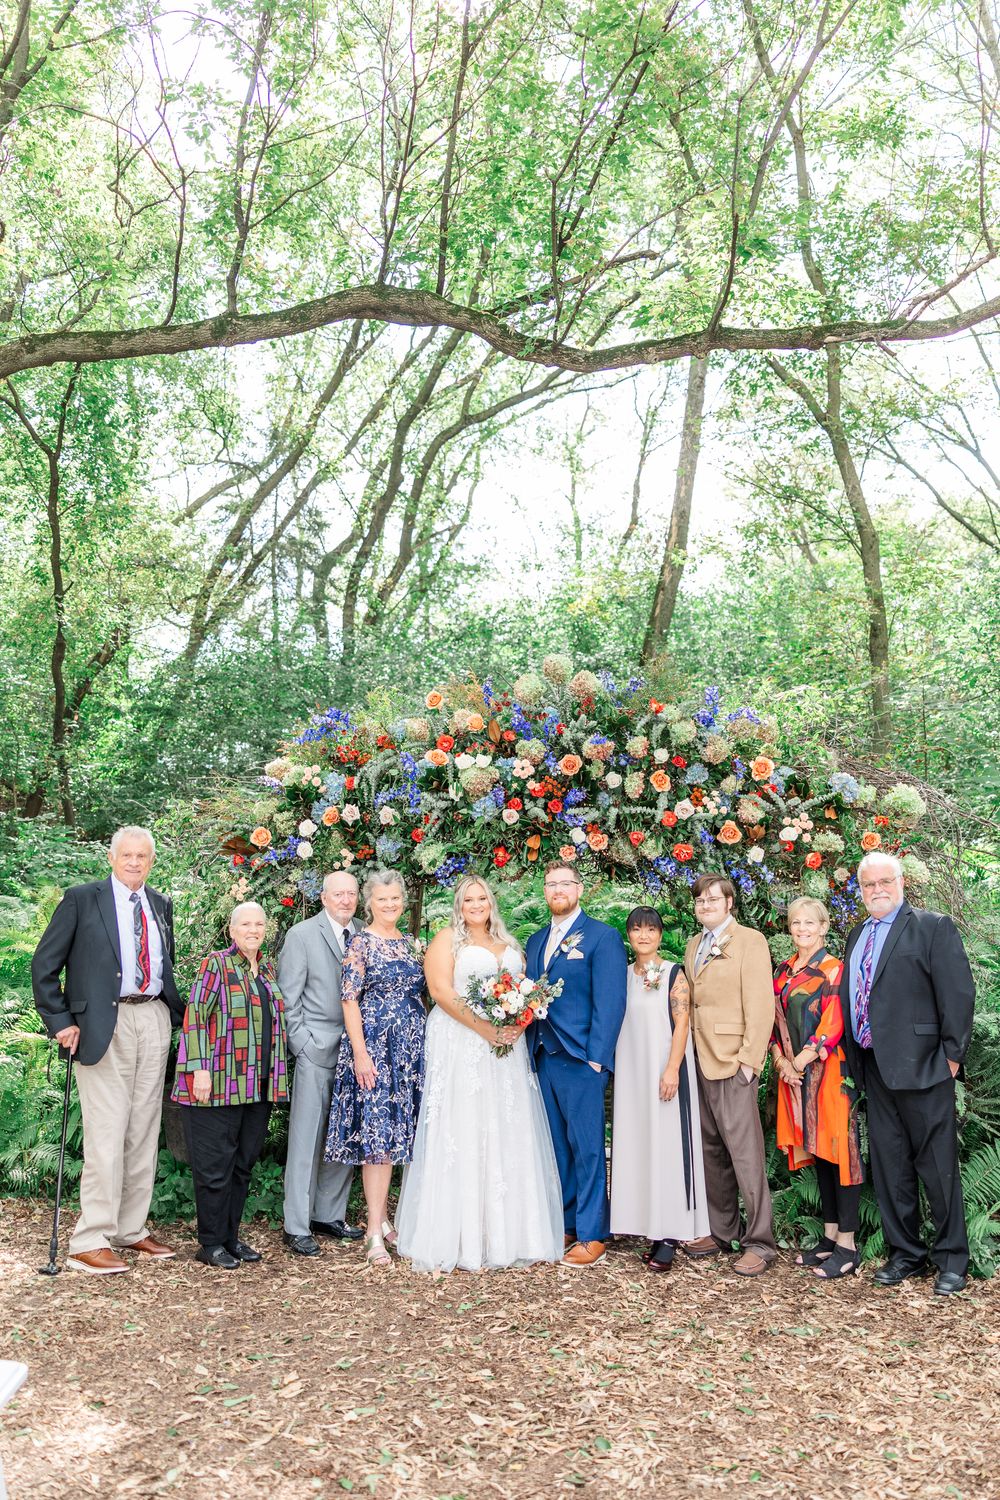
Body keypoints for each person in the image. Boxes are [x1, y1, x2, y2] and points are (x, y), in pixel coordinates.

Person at [31, 826, 183, 1274]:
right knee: (106, 1132)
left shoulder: (160, 904)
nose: (135, 863)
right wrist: (60, 1023)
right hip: (100, 1024)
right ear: (112, 858)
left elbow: (163, 964)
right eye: (127, 855)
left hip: (152, 1017)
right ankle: (89, 1238)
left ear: (151, 861)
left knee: (142, 1129)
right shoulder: (82, 898)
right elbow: (45, 965)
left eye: (143, 856)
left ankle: (129, 1229)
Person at [396, 875, 563, 1272]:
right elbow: (440, 991)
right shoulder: (445, 940)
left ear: (491, 902)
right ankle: (460, 1236)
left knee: (505, 1126)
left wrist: (518, 1022)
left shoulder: (509, 945)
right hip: (461, 1044)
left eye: (482, 898)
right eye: (468, 899)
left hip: (505, 1048)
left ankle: (508, 1234)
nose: (476, 905)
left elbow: (525, 992)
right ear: (459, 904)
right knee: (464, 1125)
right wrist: (484, 1028)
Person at [842, 852, 975, 1296]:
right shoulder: (857, 932)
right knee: (890, 1165)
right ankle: (906, 1255)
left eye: (885, 881)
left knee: (937, 1167)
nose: (877, 890)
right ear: (859, 889)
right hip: (875, 1065)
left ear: (901, 883)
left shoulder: (932, 926)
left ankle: (952, 1259)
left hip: (925, 1067)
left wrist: (951, 1058)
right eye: (868, 884)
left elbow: (958, 994)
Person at [171, 901, 288, 1269]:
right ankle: (210, 1243)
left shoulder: (267, 968)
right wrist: (198, 1070)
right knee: (214, 1166)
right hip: (217, 1082)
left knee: (242, 1165)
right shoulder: (217, 964)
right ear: (232, 930)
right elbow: (194, 1017)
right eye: (246, 924)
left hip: (258, 1085)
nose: (253, 930)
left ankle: (230, 1238)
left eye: (259, 924)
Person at [525, 860, 627, 1267]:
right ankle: (568, 1223)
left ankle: (593, 1233)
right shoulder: (534, 941)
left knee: (587, 1149)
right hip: (544, 1056)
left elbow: (612, 1001)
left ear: (579, 889)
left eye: (565, 883)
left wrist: (598, 1060)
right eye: (551, 884)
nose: (557, 890)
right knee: (558, 1149)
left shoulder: (603, 937)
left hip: (582, 1058)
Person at [324, 870, 426, 1266]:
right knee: (379, 1142)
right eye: (382, 899)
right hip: (375, 1053)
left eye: (396, 899)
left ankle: (384, 1221)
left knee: (402, 1138)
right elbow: (349, 1000)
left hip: (410, 1052)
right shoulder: (361, 944)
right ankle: (371, 1233)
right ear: (370, 903)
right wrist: (361, 1054)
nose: (390, 905)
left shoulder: (411, 944)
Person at [682, 874, 777, 1276]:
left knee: (745, 1154)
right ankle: (722, 1231)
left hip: (733, 1061)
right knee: (711, 1151)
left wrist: (750, 1059)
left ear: (729, 903)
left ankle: (761, 1241)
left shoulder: (750, 941)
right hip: (698, 1060)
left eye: (713, 900)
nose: (706, 906)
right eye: (700, 900)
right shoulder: (692, 944)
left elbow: (761, 1004)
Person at [611, 906, 710, 1271]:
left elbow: (682, 1022)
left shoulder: (672, 974)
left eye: (650, 929)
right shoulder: (621, 976)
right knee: (643, 1148)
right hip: (632, 1072)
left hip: (665, 1072)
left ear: (660, 934)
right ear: (629, 935)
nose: (643, 936)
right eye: (636, 929)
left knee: (669, 1148)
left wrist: (672, 1068)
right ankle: (649, 1228)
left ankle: (670, 1233)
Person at [771, 897, 864, 1279]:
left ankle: (848, 1245)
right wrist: (780, 1062)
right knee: (819, 1153)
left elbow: (834, 1022)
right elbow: (772, 1021)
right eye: (796, 922)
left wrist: (802, 1061)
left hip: (828, 1073)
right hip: (792, 1075)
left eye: (810, 923)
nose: (802, 929)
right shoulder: (783, 970)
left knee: (841, 1153)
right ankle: (828, 1238)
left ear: (824, 927)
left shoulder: (833, 969)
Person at [279, 871, 364, 1257]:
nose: (345, 900)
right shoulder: (301, 935)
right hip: (316, 1047)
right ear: (324, 898)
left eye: (351, 894)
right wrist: (303, 1045)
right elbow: (288, 998)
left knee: (345, 1132)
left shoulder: (364, 931)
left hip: (357, 1050)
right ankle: (296, 1224)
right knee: (307, 1137)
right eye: (338, 894)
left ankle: (327, 1213)